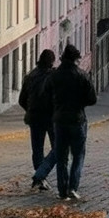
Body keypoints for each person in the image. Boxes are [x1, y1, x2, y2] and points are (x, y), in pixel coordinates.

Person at [38, 44, 97, 201]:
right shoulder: (82, 75)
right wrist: (79, 102)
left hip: (59, 120)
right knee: (78, 156)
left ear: (63, 58)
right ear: (76, 59)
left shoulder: (54, 76)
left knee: (61, 156)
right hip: (78, 120)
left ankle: (62, 191)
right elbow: (92, 99)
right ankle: (73, 187)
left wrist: (56, 105)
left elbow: (45, 94)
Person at [19, 49, 57, 190]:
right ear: (52, 62)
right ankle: (41, 174)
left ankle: (40, 178)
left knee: (37, 148)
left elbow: (22, 100)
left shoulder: (30, 76)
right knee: (58, 148)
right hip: (51, 117)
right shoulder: (53, 76)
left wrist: (30, 110)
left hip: (34, 118)